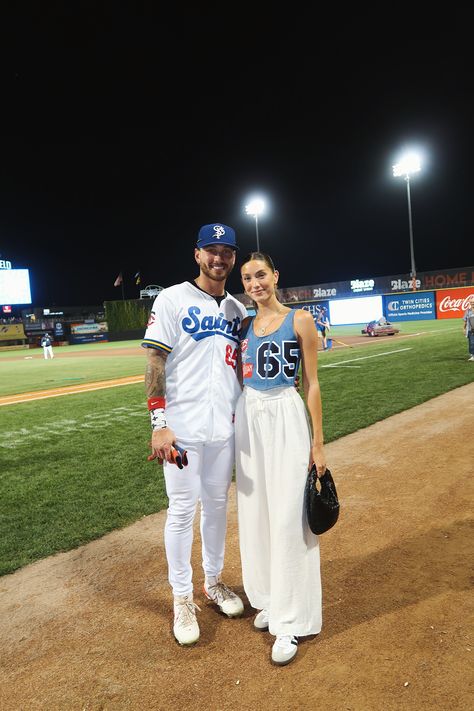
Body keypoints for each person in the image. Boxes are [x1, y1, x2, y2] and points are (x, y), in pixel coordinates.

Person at [142, 223, 247, 646]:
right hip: (180, 430)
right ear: (197, 254)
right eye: (211, 250)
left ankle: (213, 582)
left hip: (224, 428)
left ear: (233, 258)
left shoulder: (238, 312)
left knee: (218, 507)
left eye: (226, 251)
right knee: (183, 510)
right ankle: (181, 598)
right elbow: (154, 362)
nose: (218, 258)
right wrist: (158, 423)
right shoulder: (172, 298)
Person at [235, 252, 327, 667]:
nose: (255, 283)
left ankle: (291, 618)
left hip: (286, 414)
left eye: (261, 275)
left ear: (275, 276)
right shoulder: (243, 326)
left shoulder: (300, 320)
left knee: (290, 516)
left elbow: (312, 384)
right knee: (257, 512)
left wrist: (318, 443)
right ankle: (269, 599)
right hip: (250, 417)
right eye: (248, 278)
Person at [462, 294, 474, 361]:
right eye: (471, 302)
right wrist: (463, 328)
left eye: (473, 302)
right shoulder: (467, 311)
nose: (472, 303)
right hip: (470, 330)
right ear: (470, 303)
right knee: (471, 343)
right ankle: (472, 355)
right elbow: (465, 321)